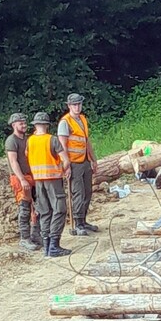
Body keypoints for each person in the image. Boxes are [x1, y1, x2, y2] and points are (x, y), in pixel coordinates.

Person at [28, 111, 72, 256]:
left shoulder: (30, 141)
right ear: (47, 125)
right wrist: (64, 170)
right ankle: (54, 245)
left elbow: (28, 156)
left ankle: (46, 246)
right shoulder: (52, 140)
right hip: (53, 180)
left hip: (38, 181)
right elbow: (65, 160)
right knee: (59, 210)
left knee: (45, 212)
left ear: (35, 125)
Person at [58, 93, 99, 236]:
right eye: (74, 105)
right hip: (74, 163)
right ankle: (78, 223)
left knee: (88, 192)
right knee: (78, 194)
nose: (77, 107)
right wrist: (66, 165)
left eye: (79, 104)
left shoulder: (82, 119)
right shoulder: (65, 122)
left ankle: (84, 220)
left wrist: (93, 159)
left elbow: (86, 141)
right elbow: (62, 145)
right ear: (69, 106)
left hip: (85, 160)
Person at [4, 113, 40, 252]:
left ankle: (36, 235)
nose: (24, 125)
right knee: (24, 208)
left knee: (37, 207)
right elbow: (13, 162)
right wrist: (22, 179)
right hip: (19, 178)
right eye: (21, 123)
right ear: (14, 125)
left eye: (24, 123)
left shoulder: (27, 139)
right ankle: (25, 238)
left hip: (31, 176)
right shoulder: (11, 141)